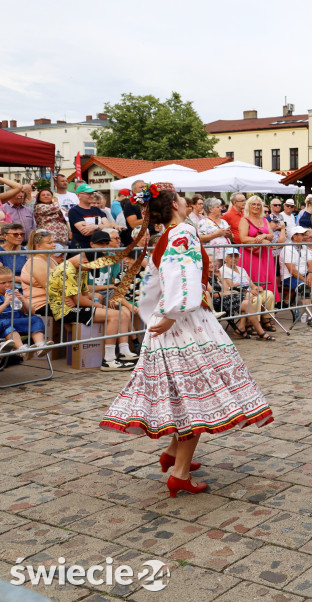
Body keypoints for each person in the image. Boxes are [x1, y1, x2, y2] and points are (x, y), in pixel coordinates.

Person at [99, 183, 272, 497]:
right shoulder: (183, 233)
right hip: (186, 323)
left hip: (175, 318)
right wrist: (173, 312)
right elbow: (184, 273)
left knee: (183, 394)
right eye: (181, 197)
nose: (186, 201)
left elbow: (156, 283)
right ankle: (178, 473)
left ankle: (173, 455)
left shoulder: (168, 235)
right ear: (175, 205)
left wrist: (159, 314)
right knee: (197, 398)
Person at [47, 232, 138, 370]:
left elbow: (84, 296)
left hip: (74, 305)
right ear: (85, 262)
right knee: (113, 315)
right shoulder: (67, 270)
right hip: (64, 310)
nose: (90, 272)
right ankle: (109, 360)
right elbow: (80, 300)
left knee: (115, 313)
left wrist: (86, 300)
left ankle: (119, 354)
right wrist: (98, 305)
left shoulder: (81, 268)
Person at [219, 248, 276, 341]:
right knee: (256, 299)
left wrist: (255, 288)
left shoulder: (241, 269)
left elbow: (250, 282)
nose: (234, 259)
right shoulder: (224, 270)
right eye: (231, 257)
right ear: (225, 259)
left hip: (249, 291)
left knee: (269, 294)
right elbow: (231, 286)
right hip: (238, 293)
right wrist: (248, 291)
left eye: (236, 256)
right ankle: (251, 324)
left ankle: (266, 319)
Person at [237, 196, 278, 311]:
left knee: (266, 278)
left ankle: (266, 313)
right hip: (249, 255)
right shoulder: (244, 220)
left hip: (265, 254)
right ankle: (252, 314)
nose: (256, 206)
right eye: (253, 204)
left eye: (258, 204)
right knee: (252, 279)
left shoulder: (264, 220)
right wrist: (259, 240)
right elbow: (243, 238)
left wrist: (264, 236)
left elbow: (271, 235)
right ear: (248, 206)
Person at [0, 266, 50, 359]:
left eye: (10, 281)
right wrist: (6, 303)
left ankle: (40, 346)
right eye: (3, 283)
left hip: (17, 321)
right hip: (3, 324)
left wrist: (23, 300)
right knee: (7, 324)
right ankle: (21, 349)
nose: (7, 285)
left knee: (35, 319)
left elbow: (31, 312)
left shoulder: (15, 294)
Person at [20, 229, 59, 317]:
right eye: (50, 243)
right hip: (40, 305)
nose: (54, 245)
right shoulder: (36, 262)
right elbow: (50, 288)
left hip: (54, 302)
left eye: (54, 242)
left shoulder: (51, 259)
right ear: (38, 246)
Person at [68, 184, 114, 251]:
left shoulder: (96, 209)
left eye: (92, 193)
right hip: (81, 250)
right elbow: (86, 232)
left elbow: (109, 226)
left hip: (97, 249)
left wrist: (95, 227)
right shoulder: (74, 211)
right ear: (78, 195)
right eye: (88, 194)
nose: (92, 196)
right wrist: (102, 227)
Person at [197, 198, 232, 268]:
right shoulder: (203, 222)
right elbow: (199, 238)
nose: (221, 209)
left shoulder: (224, 222)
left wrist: (230, 235)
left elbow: (232, 237)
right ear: (211, 209)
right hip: (213, 256)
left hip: (227, 255)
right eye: (218, 207)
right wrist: (217, 234)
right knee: (215, 274)